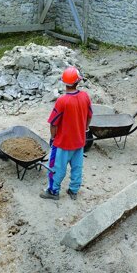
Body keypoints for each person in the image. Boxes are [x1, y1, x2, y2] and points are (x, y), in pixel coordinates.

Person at [40, 66, 92, 201]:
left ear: (64, 82)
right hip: (79, 141)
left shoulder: (62, 101)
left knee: (57, 168)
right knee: (77, 167)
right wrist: (84, 129)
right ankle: (74, 190)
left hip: (63, 143)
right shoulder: (85, 96)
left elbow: (53, 123)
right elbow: (90, 115)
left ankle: (53, 191)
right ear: (78, 81)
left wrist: (53, 138)